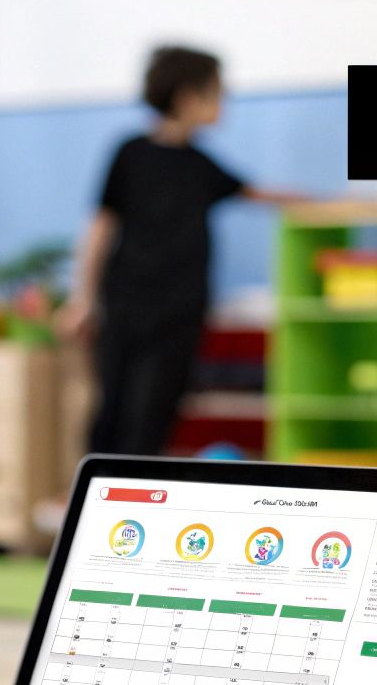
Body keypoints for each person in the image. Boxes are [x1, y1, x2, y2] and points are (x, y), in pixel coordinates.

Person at [55, 45, 302, 456]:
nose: (224, 104)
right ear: (189, 98)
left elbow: (260, 193)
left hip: (181, 312)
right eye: (218, 94)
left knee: (154, 413)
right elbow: (99, 226)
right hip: (124, 305)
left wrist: (337, 202)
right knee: (111, 406)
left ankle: (136, 504)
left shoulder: (200, 165)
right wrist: (82, 298)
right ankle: (91, 498)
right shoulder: (130, 153)